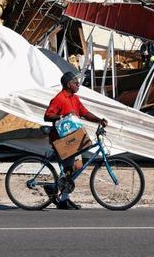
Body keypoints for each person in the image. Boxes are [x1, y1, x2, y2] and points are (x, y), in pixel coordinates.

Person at [44, 71, 107, 210]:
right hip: (62, 139)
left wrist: (99, 120)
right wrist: (62, 115)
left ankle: (61, 196)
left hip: (73, 138)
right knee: (68, 169)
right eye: (75, 82)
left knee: (77, 168)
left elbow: (84, 113)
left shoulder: (74, 98)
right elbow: (47, 116)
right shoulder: (59, 99)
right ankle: (60, 196)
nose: (78, 84)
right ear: (68, 84)